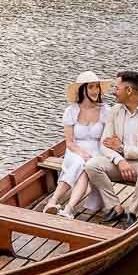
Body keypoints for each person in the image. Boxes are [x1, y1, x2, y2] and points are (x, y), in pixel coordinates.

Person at [85, 70, 138, 228]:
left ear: (129, 90)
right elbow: (105, 143)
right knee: (92, 165)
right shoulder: (115, 111)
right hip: (120, 162)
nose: (114, 92)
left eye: (117, 88)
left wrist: (122, 148)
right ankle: (115, 207)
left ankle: (132, 211)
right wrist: (120, 160)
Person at [43, 71, 112, 218]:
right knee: (80, 162)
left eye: (97, 87)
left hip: (98, 150)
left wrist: (93, 156)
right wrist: (82, 153)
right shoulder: (71, 111)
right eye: (91, 87)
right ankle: (66, 208)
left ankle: (55, 202)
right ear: (82, 90)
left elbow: (106, 140)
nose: (95, 91)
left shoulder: (106, 111)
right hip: (75, 150)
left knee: (85, 167)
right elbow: (69, 143)